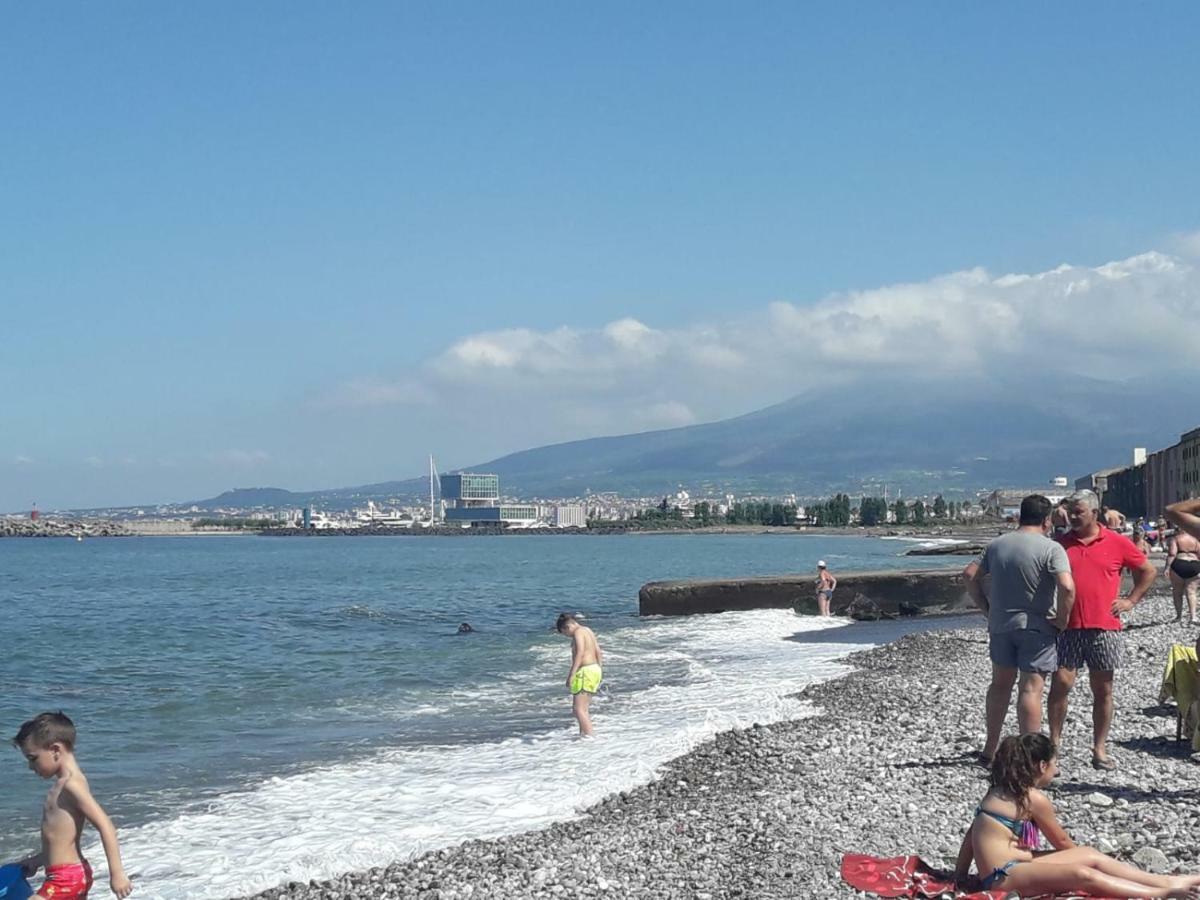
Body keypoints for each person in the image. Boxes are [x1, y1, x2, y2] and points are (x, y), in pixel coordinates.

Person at [954, 733, 1200, 897]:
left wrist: (960, 875)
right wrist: (1075, 861)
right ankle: (1159, 893)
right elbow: (1062, 843)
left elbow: (971, 837)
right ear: (1042, 766)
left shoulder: (996, 791)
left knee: (1090, 854)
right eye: (1054, 764)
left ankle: (1165, 881)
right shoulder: (1032, 799)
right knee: (1082, 872)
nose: (1056, 770)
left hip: (1007, 868)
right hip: (1003, 876)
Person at [1048, 490, 1157, 769]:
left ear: (1094, 513)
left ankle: (1099, 748)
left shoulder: (1116, 542)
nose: (1072, 516)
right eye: (1070, 511)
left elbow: (1147, 570)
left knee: (1103, 689)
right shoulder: (1060, 544)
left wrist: (1131, 600)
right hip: (1067, 627)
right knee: (1061, 684)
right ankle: (1054, 747)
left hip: (1104, 626)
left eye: (1078, 512)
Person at [963, 495, 1075, 763]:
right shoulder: (1051, 548)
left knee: (1000, 685)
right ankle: (1030, 756)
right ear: (1047, 520)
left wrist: (986, 608)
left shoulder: (997, 544)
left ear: (1019, 516)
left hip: (1001, 624)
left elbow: (968, 575)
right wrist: (1062, 618)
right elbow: (1067, 586)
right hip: (1037, 627)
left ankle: (991, 748)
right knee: (1031, 689)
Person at [7, 712, 133, 899]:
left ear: (55, 750)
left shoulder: (72, 785)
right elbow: (63, 840)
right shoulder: (64, 785)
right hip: (70, 874)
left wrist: (117, 874)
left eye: (33, 758)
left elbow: (106, 827)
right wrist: (38, 860)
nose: (31, 767)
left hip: (65, 878)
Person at [556, 613, 603, 737]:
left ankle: (589, 736)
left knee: (578, 709)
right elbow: (598, 651)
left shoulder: (578, 632)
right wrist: (599, 669)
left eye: (565, 633)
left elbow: (580, 652)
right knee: (584, 709)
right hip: (594, 669)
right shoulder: (588, 630)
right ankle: (584, 736)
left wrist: (572, 674)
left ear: (568, 627)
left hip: (585, 671)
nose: (567, 636)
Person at [1166, 526, 1200, 625]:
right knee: (1192, 592)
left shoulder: (1176, 539)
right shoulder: (1195, 540)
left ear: (1178, 530)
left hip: (1179, 563)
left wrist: (1167, 567)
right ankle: (1193, 617)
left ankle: (1179, 616)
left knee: (1177, 592)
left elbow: (1172, 553)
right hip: (1194, 565)